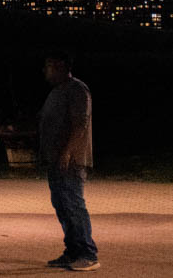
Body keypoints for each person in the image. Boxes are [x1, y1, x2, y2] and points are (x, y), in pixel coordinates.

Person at [39, 51, 99, 271]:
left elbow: (80, 124)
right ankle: (72, 250)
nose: (45, 71)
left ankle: (88, 253)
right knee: (62, 206)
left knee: (74, 205)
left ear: (62, 66)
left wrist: (67, 152)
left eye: (49, 66)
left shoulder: (77, 90)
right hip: (55, 160)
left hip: (70, 161)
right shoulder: (57, 92)